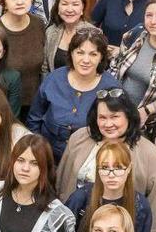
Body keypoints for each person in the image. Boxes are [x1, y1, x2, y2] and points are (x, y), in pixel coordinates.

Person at [56, 88, 156, 230]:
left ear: (128, 116)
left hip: (121, 229)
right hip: (76, 221)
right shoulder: (79, 138)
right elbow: (62, 181)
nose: (108, 124)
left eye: (115, 117)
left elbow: (155, 206)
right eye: (102, 117)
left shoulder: (150, 154)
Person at [27, 27, 118, 162]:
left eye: (93, 54)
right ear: (71, 54)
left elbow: (116, 130)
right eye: (80, 53)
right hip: (48, 157)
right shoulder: (54, 79)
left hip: (88, 161)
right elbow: (34, 118)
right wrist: (38, 152)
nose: (86, 60)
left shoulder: (111, 88)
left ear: (101, 57)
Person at [65, 141, 152, 232]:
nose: (111, 175)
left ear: (129, 168)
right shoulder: (80, 198)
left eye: (118, 167)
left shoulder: (140, 205)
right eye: (105, 167)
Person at [0, 0, 46, 119]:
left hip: (34, 104)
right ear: (4, 2)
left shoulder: (39, 24)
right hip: (4, 105)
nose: (19, 2)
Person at [42, 0, 98, 75]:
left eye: (75, 4)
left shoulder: (94, 34)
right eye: (64, 4)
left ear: (82, 8)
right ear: (58, 8)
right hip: (54, 82)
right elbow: (45, 68)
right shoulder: (50, 32)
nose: (69, 9)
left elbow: (97, 70)